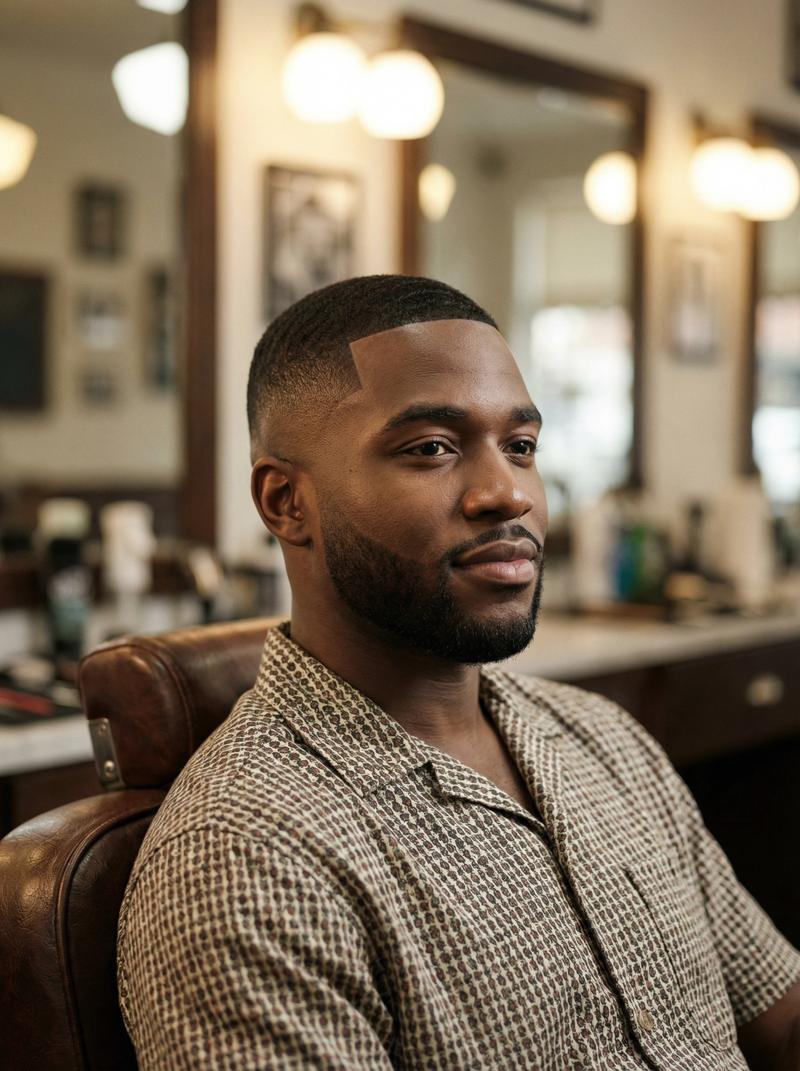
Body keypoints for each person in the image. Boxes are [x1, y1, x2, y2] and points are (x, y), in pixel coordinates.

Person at [117, 275, 800, 1070]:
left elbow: (779, 1022)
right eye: (432, 448)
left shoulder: (602, 739)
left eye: (521, 446)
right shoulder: (249, 859)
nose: (507, 492)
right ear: (285, 501)